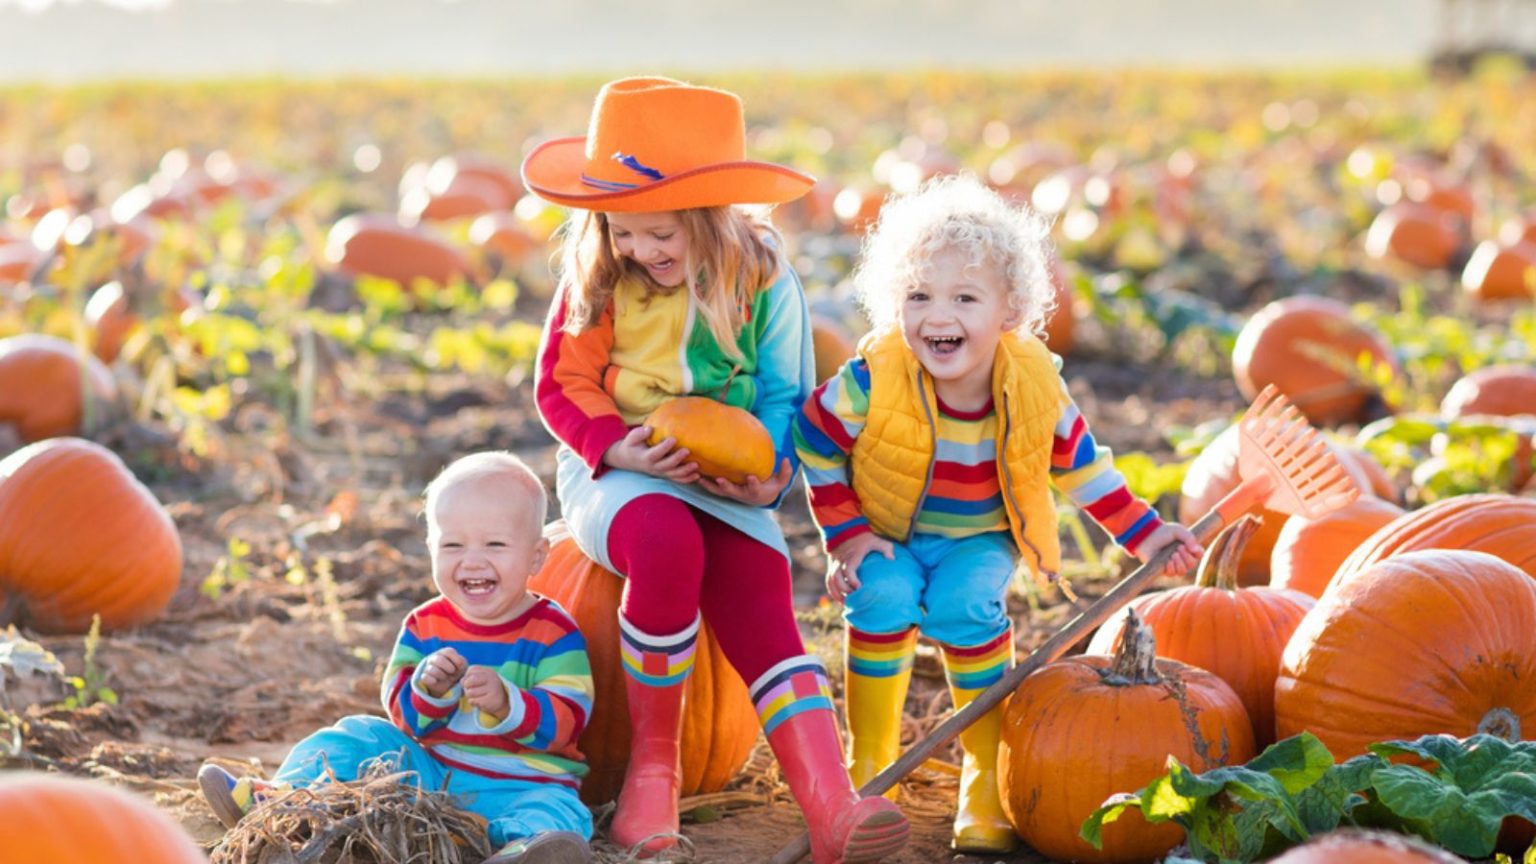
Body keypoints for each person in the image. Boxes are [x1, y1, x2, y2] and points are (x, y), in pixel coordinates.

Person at [523, 76, 909, 863]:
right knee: (667, 548)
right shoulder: (597, 278)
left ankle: (829, 803)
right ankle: (651, 778)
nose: (641, 250)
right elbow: (561, 386)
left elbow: (782, 396)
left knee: (760, 594)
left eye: (660, 233)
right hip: (621, 469)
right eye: (624, 232)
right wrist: (613, 446)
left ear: (712, 217)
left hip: (725, 476)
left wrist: (769, 476)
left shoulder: (765, 280)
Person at [793, 174, 1204, 854]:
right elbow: (814, 439)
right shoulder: (873, 378)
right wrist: (848, 535)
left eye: (963, 297)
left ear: (1008, 310)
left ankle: (983, 784)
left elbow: (1082, 468)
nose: (937, 316)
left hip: (977, 539)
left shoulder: (1032, 387)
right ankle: (871, 774)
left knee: (964, 609)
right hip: (888, 535)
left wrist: (1144, 531)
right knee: (882, 600)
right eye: (918, 296)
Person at [197, 452, 595, 864]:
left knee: (558, 810)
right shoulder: (425, 625)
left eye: (495, 544)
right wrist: (428, 689)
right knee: (356, 735)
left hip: (524, 783)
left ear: (536, 556)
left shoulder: (555, 633)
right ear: (430, 548)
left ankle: (520, 849)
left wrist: (507, 702)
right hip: (433, 777)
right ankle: (285, 801)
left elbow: (566, 723)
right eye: (453, 544)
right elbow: (406, 718)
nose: (472, 560)